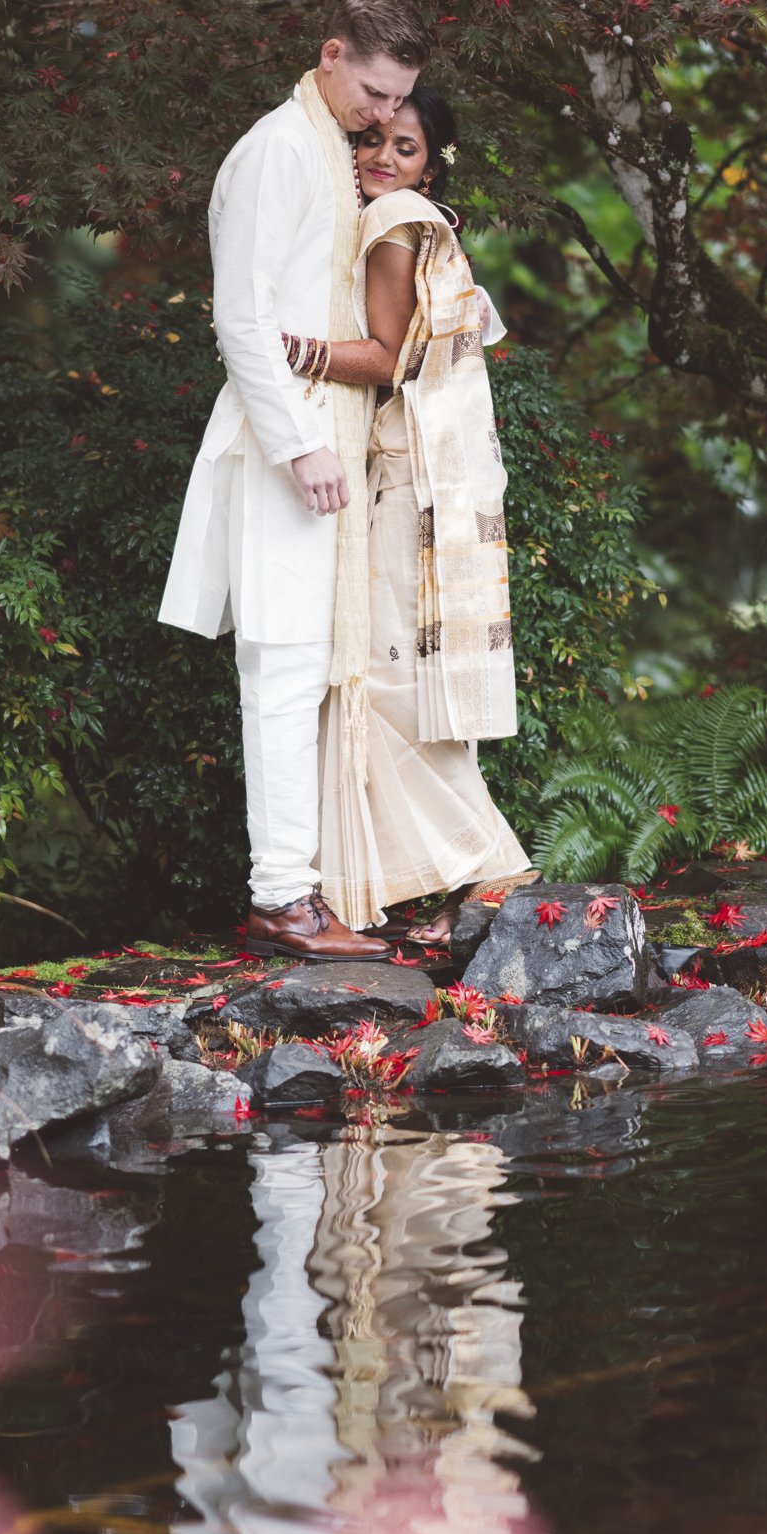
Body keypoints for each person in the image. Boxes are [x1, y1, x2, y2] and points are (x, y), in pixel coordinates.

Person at [158, 0, 434, 959]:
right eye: (371, 91)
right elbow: (240, 318)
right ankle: (282, 898)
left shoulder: (325, 146)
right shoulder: (278, 148)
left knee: (311, 670)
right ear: (329, 55)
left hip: (324, 439)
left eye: (396, 99)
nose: (383, 115)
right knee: (279, 666)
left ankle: (307, 888)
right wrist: (300, 447)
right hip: (284, 443)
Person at [283, 90, 531, 945]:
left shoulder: (394, 218)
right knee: (391, 677)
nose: (384, 157)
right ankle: (442, 883)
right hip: (426, 477)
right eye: (376, 141)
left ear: (432, 163)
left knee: (382, 677)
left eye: (408, 146)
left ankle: (491, 870)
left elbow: (391, 360)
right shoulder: (419, 220)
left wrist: (292, 348)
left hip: (402, 480)